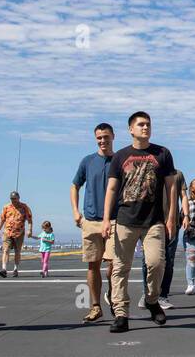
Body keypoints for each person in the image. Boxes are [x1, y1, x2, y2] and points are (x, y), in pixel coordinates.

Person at [102, 111, 176, 333]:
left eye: (148, 124)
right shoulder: (121, 156)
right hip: (125, 219)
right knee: (120, 268)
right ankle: (121, 314)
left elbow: (171, 187)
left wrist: (171, 216)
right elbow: (112, 188)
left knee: (156, 263)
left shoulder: (162, 153)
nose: (146, 128)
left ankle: (152, 300)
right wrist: (107, 219)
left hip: (153, 220)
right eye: (141, 124)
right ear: (131, 129)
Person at [72, 122, 117, 323]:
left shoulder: (120, 160)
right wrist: (76, 212)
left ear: (113, 136)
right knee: (93, 265)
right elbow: (75, 186)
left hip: (116, 221)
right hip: (90, 220)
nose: (102, 141)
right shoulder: (88, 161)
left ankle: (114, 299)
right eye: (99, 137)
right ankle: (96, 306)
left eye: (106, 137)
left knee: (114, 265)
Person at [141, 167, 184, 310]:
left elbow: (183, 196)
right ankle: (146, 294)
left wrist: (186, 215)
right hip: (151, 222)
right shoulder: (148, 173)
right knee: (148, 260)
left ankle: (162, 296)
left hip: (172, 223)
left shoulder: (178, 174)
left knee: (168, 260)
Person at [0, 191, 34, 277]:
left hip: (19, 233)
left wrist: (30, 230)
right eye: (12, 199)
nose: (13, 200)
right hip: (7, 232)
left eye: (15, 199)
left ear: (18, 198)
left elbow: (30, 220)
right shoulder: (6, 207)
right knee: (5, 250)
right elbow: (2, 219)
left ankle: (15, 269)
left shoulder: (24, 207)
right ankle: (4, 269)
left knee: (17, 251)